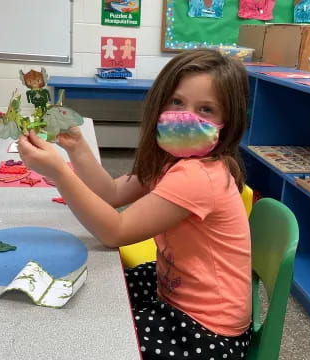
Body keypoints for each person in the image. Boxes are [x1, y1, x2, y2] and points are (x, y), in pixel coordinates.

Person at [18, 48, 252, 359]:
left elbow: (116, 231)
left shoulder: (199, 175)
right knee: (92, 290)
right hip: (176, 290)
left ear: (228, 121)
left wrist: (60, 172)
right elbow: (112, 193)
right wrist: (77, 147)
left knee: (96, 336)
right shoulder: (173, 160)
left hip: (206, 330)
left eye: (206, 109)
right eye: (177, 102)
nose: (186, 116)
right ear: (160, 100)